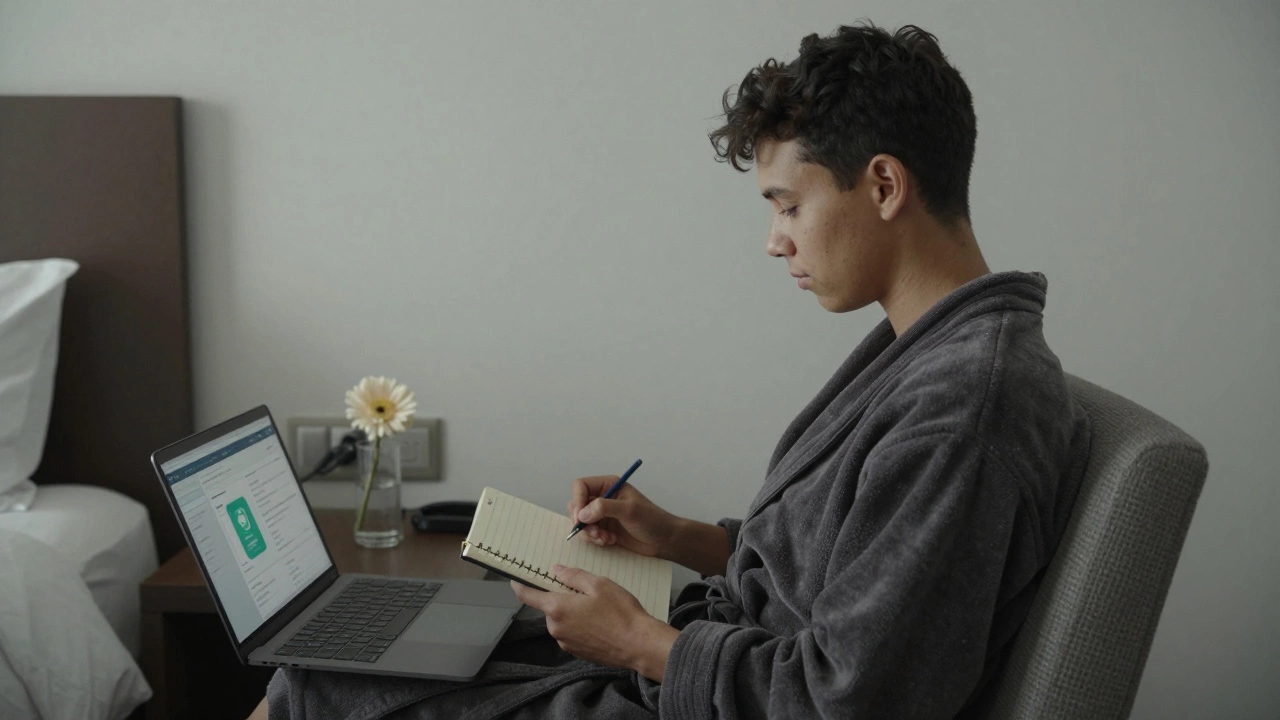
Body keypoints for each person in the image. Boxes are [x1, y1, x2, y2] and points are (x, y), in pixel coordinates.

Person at [252, 20, 1090, 720]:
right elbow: (835, 574)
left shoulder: (963, 410)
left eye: (789, 206)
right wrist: (683, 540)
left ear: (882, 186)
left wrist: (644, 644)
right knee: (377, 643)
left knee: (318, 683)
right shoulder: (934, 354)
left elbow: (851, 699)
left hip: (698, 691)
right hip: (708, 657)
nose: (775, 240)